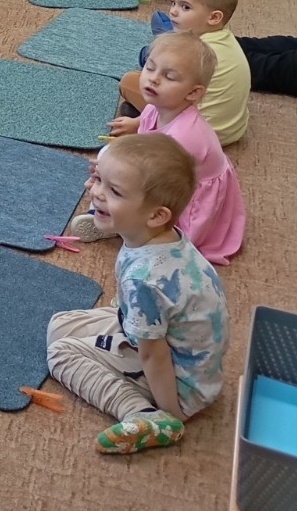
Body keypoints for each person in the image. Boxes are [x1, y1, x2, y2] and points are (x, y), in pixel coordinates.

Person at [47, 133, 227, 454]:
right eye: (98, 180)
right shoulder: (162, 238)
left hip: (179, 384)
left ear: (156, 215)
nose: (95, 192)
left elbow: (153, 356)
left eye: (114, 191)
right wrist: (108, 175)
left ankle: (144, 415)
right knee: (59, 325)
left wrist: (173, 411)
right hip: (182, 353)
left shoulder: (144, 281)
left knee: (60, 353)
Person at [72, 33, 246, 265]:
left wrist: (111, 174)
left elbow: (157, 182)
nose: (153, 79)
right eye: (150, 67)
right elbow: (146, 130)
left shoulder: (185, 137)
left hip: (184, 190)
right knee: (108, 157)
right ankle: (108, 215)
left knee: (126, 185)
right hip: (159, 171)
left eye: (169, 77)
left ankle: (132, 231)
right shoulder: (160, 105)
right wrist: (133, 126)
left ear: (193, 93)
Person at [114, 0, 250, 147]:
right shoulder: (226, 39)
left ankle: (148, 119)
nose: (173, 12)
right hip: (233, 129)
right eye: (173, 3)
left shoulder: (194, 51)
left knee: (129, 82)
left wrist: (137, 123)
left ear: (214, 17)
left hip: (193, 135)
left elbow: (175, 94)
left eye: (185, 7)